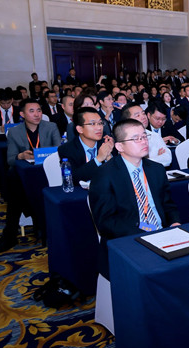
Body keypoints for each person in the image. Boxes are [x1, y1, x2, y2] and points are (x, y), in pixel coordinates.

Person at [89, 119, 178, 278]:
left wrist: (174, 223)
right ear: (120, 147)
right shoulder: (105, 175)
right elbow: (106, 222)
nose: (143, 141)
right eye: (136, 138)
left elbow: (168, 205)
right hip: (127, 240)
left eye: (144, 136)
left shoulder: (156, 169)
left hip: (162, 235)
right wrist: (144, 236)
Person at [0, 99, 60, 254]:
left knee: (17, 191)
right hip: (26, 175)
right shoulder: (15, 132)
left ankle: (20, 229)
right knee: (14, 176)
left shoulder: (51, 127)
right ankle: (16, 232)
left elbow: (59, 151)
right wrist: (21, 156)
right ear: (22, 114)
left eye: (39, 110)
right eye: (32, 111)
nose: (37, 114)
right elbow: (10, 159)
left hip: (47, 173)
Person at [57, 107, 114, 184]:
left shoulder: (108, 143)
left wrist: (109, 158)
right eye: (93, 124)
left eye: (100, 123)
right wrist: (98, 159)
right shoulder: (66, 149)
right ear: (80, 129)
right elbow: (72, 179)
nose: (99, 127)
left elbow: (119, 175)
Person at [122, 103, 172, 167]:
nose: (143, 117)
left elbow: (167, 159)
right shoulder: (124, 140)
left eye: (143, 113)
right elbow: (130, 164)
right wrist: (157, 159)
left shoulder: (155, 136)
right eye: (138, 115)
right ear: (128, 121)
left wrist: (145, 161)